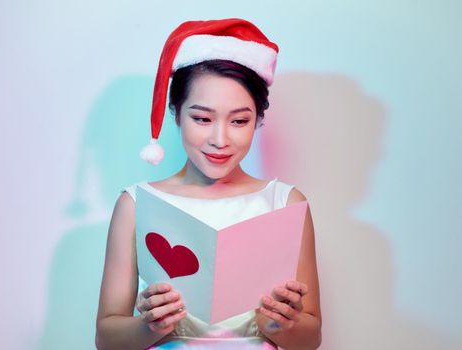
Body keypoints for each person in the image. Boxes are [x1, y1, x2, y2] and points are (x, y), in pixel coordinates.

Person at [95, 18, 322, 349]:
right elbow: (106, 338)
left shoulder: (284, 202)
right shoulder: (136, 204)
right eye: (202, 118)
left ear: (258, 119)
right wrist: (151, 326)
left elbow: (311, 338)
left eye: (239, 121)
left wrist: (276, 321)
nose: (220, 139)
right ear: (176, 112)